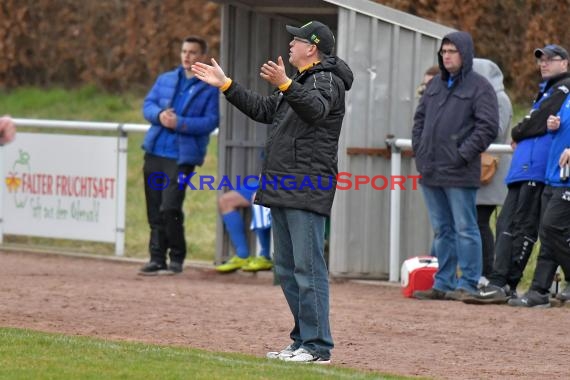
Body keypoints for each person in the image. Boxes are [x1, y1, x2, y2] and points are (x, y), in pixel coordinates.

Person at [192, 20, 353, 363]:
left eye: (296, 40)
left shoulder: (327, 79)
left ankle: (318, 347)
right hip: (283, 184)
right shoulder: (301, 80)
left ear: (312, 47)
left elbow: (317, 110)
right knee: (287, 269)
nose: (290, 44)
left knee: (308, 270)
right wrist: (227, 85)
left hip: (305, 185)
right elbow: (266, 111)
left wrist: (284, 84)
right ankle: (301, 341)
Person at [465, 45, 570, 304]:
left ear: (565, 63)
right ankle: (504, 282)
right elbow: (540, 121)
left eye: (550, 59)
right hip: (526, 168)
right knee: (508, 225)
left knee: (527, 227)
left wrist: (519, 131)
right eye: (541, 60)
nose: (543, 64)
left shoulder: (563, 89)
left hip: (542, 170)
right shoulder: (546, 92)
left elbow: (533, 122)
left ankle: (507, 282)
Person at [411, 31, 499, 301]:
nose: (446, 56)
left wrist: (462, 155)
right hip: (431, 170)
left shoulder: (480, 87)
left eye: (452, 51)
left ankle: (469, 282)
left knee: (466, 228)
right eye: (444, 51)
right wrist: (421, 152)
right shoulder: (435, 85)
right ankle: (444, 282)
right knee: (442, 230)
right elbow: (419, 121)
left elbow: (488, 128)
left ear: (465, 54)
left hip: (460, 171)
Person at [139, 36, 219, 275]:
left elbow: (211, 121)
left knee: (170, 207)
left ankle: (176, 257)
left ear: (202, 56)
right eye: (184, 51)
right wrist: (160, 115)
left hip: (182, 158)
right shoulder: (165, 79)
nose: (187, 56)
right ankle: (156, 258)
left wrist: (180, 123)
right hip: (155, 152)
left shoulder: (210, 87)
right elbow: (148, 105)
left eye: (193, 52)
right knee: (154, 209)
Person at [472, 58, 513, 285]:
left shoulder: (499, 99)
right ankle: (481, 270)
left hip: (491, 170)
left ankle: (486, 271)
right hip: (483, 169)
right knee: (477, 222)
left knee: (480, 221)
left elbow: (494, 131)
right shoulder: (488, 97)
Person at [215, 179, 273, 273]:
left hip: (289, 181)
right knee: (225, 201)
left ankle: (265, 256)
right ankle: (243, 255)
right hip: (267, 180)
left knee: (258, 197)